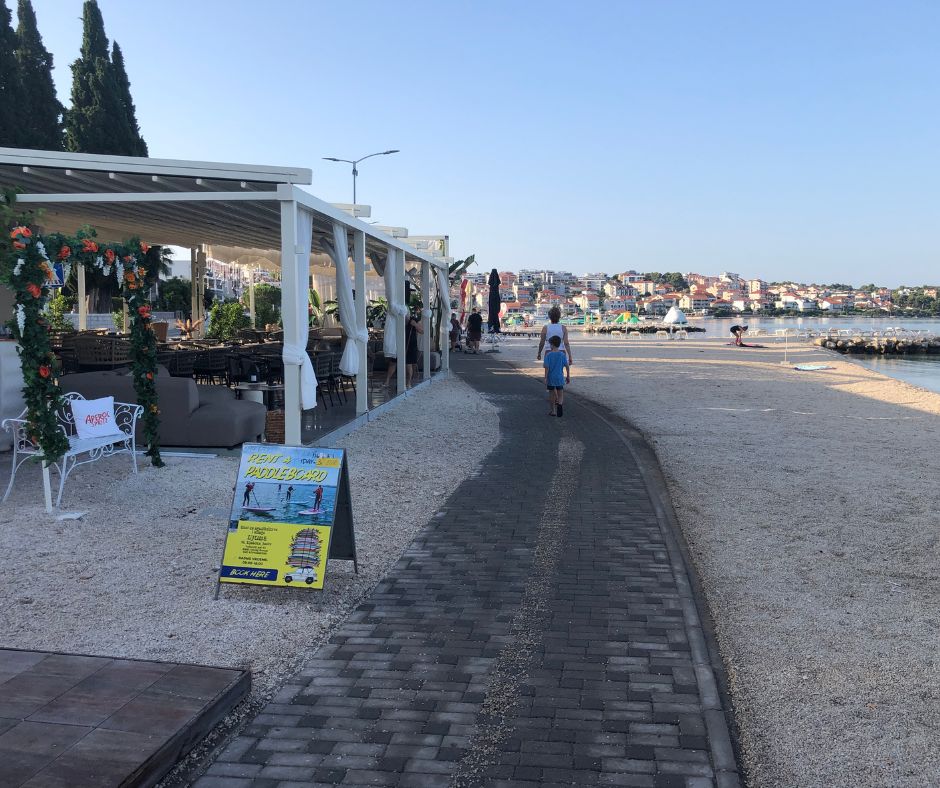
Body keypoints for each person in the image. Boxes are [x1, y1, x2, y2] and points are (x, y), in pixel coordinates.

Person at [385, 310, 424, 388]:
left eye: (406, 316)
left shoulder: (413, 320)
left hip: (410, 346)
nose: (405, 318)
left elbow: (422, 331)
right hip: (398, 345)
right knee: (393, 363)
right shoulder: (398, 320)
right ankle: (387, 381)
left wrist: (415, 324)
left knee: (408, 365)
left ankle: (408, 383)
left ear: (408, 315)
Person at [543, 335, 570, 417]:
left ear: (552, 344)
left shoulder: (548, 355)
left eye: (550, 344)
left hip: (551, 377)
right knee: (560, 393)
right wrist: (568, 376)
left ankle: (553, 411)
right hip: (560, 377)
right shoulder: (562, 355)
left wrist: (545, 377)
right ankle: (560, 404)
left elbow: (547, 367)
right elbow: (567, 366)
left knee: (552, 394)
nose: (550, 345)